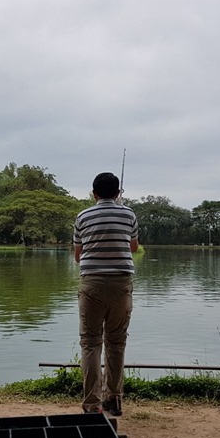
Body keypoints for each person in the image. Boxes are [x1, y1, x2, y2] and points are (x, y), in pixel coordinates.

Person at [73, 172, 139, 416]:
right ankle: (114, 400)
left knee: (90, 344)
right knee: (116, 343)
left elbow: (78, 255)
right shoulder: (129, 214)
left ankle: (92, 406)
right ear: (118, 193)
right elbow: (134, 247)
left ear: (94, 193)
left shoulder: (82, 216)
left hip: (91, 283)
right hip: (121, 284)